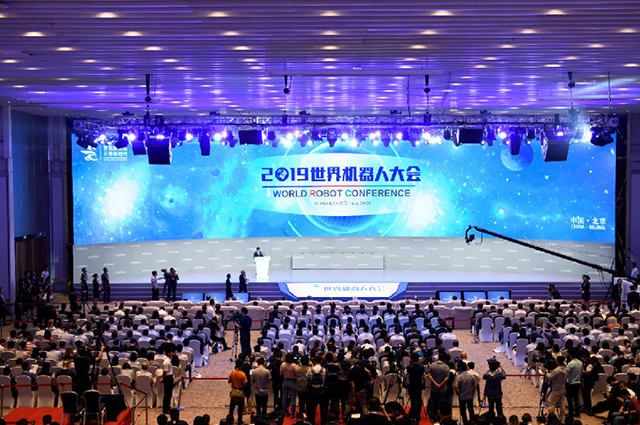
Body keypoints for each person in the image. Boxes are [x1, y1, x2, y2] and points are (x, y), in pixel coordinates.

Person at [427, 352, 450, 421]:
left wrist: (435, 383)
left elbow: (429, 375)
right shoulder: (446, 367)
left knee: (433, 402)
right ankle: (440, 417)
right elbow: (447, 378)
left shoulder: (432, 365)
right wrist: (440, 384)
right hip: (442, 388)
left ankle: (433, 416)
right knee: (441, 403)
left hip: (433, 387)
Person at [406, 352, 425, 423]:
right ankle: (418, 415)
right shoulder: (421, 367)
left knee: (413, 400)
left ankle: (413, 414)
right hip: (419, 385)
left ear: (412, 359)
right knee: (419, 399)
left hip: (412, 386)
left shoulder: (409, 367)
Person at [228, 358, 248, 425]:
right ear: (242, 366)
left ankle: (230, 419)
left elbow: (229, 381)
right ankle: (239, 420)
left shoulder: (232, 372)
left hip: (233, 391)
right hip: (240, 392)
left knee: (231, 408)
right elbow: (245, 384)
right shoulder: (243, 374)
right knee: (240, 408)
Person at [566, 348, 583, 417]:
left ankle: (570, 412)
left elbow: (566, 375)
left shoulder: (570, 364)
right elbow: (581, 373)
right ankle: (577, 412)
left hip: (570, 383)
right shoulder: (580, 362)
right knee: (576, 398)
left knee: (569, 398)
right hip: (578, 382)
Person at [162, 344, 176, 414]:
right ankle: (165, 409)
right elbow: (164, 372)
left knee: (169, 394)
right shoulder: (166, 362)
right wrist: (162, 378)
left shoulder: (169, 360)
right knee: (167, 394)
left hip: (170, 377)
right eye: (172, 352)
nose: (173, 353)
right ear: (169, 353)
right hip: (167, 378)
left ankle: (168, 407)